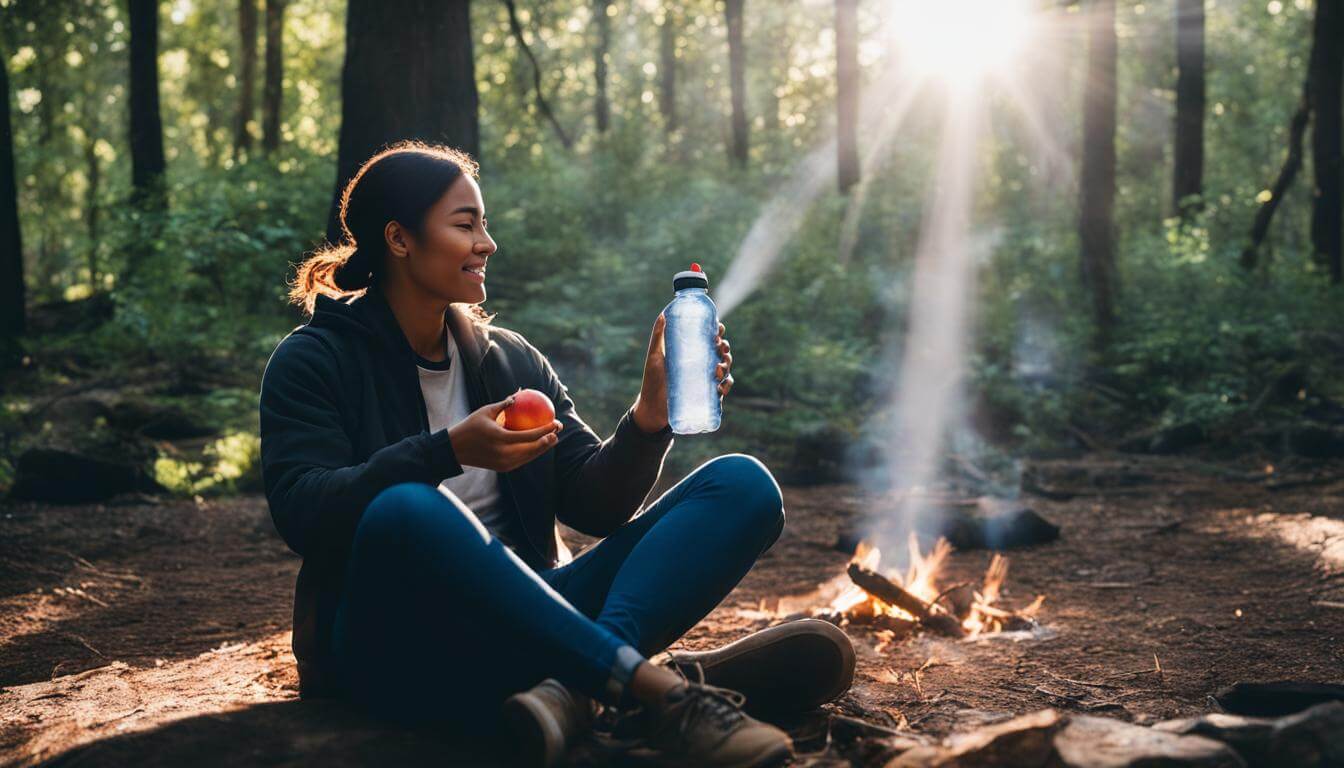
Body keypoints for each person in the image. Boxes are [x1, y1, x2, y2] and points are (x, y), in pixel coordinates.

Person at [258, 141, 854, 767]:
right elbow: (303, 510)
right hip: (392, 644)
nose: (487, 243)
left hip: (532, 618)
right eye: (466, 225)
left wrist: (650, 420)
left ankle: (579, 685)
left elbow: (594, 505)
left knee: (743, 485)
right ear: (400, 239)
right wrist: (446, 451)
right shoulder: (314, 359)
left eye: (484, 224)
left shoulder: (509, 359)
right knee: (404, 509)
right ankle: (656, 688)